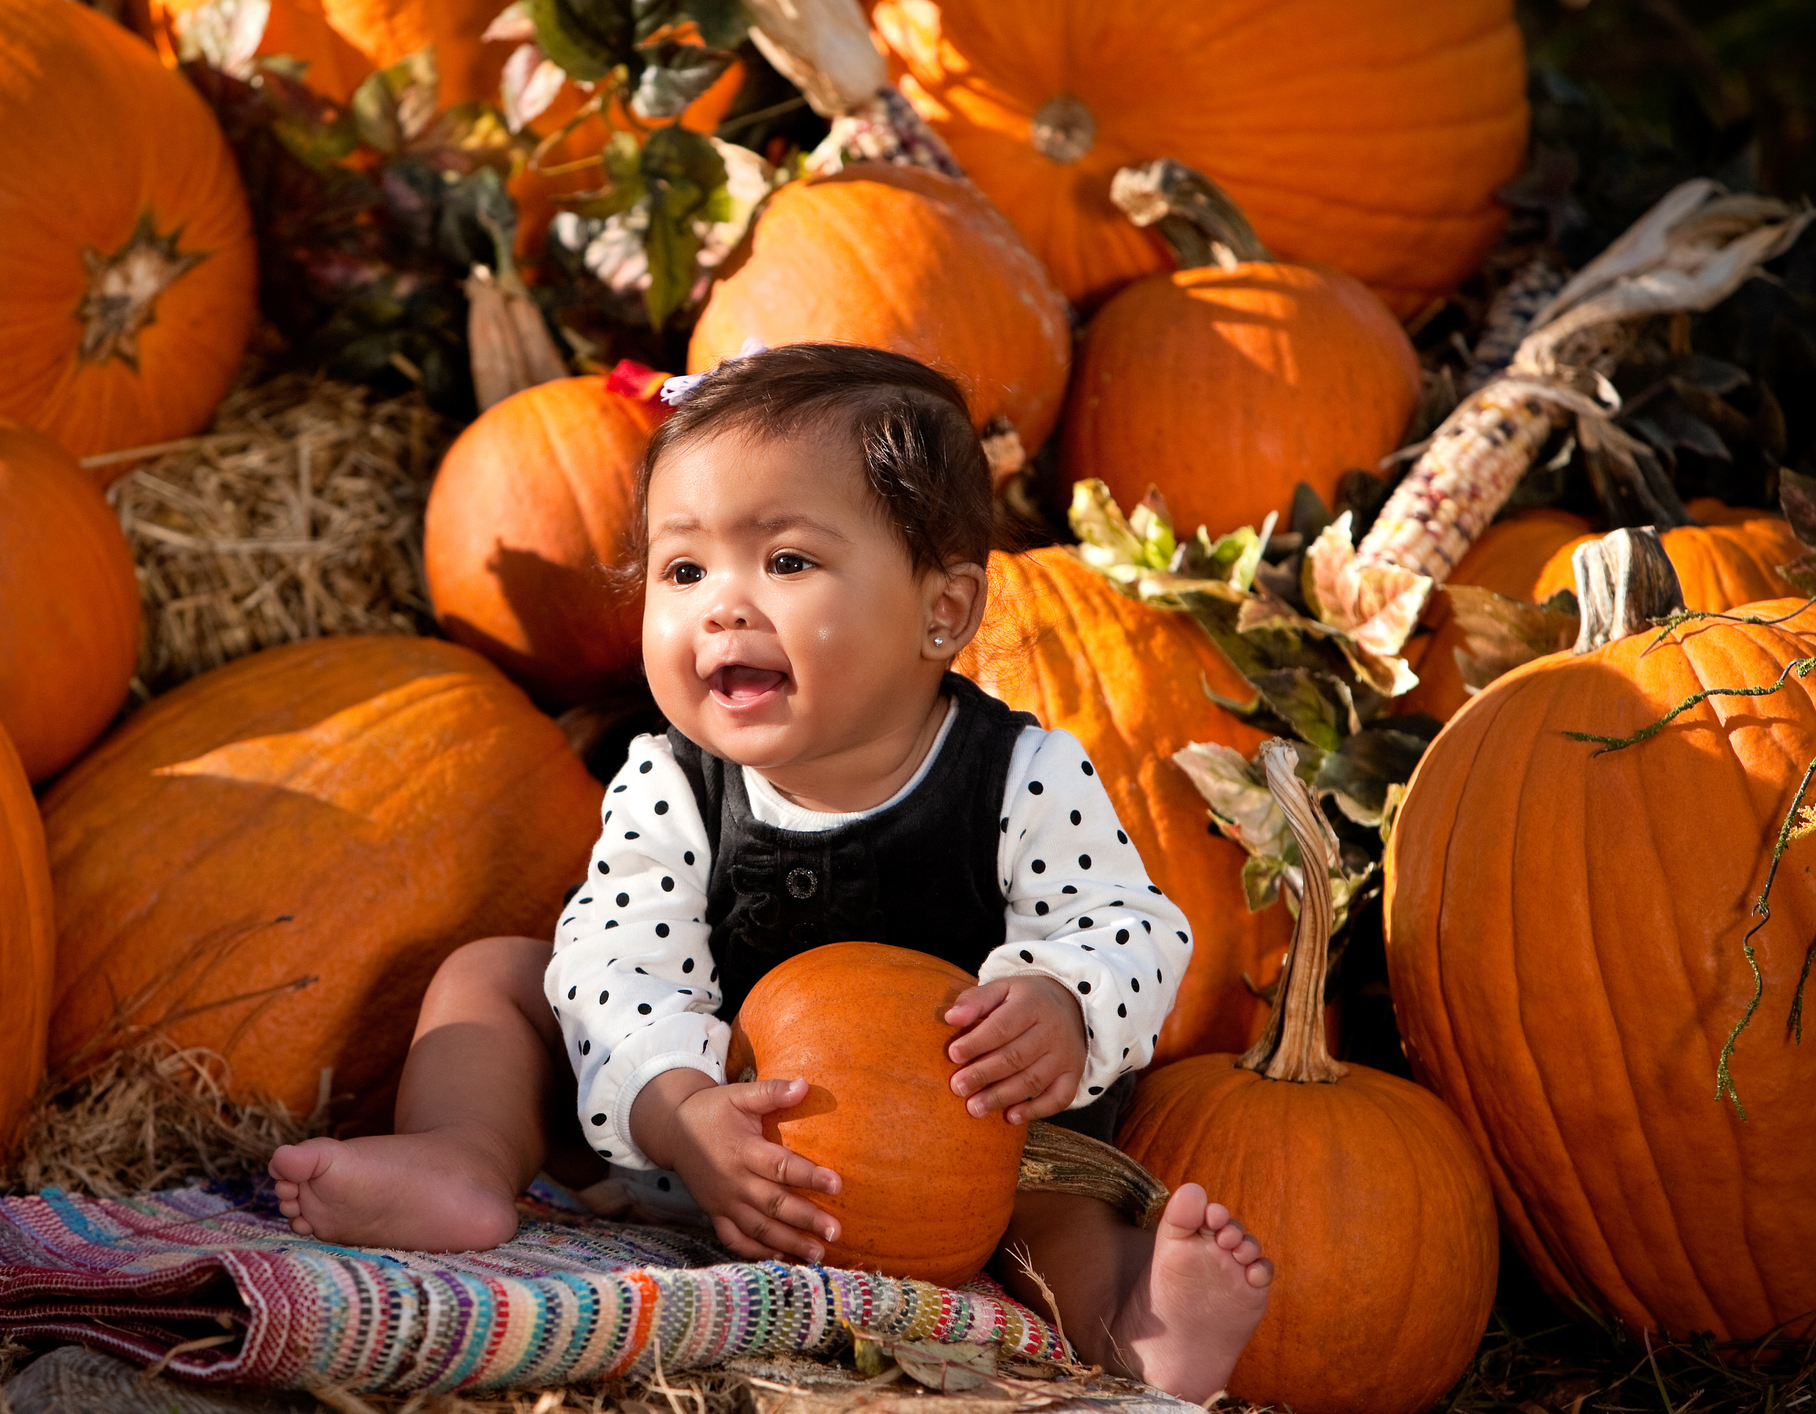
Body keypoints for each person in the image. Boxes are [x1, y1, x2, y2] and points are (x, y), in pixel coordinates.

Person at [269, 344, 1273, 1402]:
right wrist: (676, 1111)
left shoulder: (1022, 774)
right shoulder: (670, 782)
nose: (722, 606)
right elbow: (614, 962)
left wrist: (1063, 1001)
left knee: (1053, 1209)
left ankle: (1134, 1315)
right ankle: (460, 1157)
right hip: (706, 1125)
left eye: (786, 562)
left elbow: (1136, 924)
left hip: (967, 1146)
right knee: (499, 977)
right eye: (684, 569)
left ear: (943, 612)